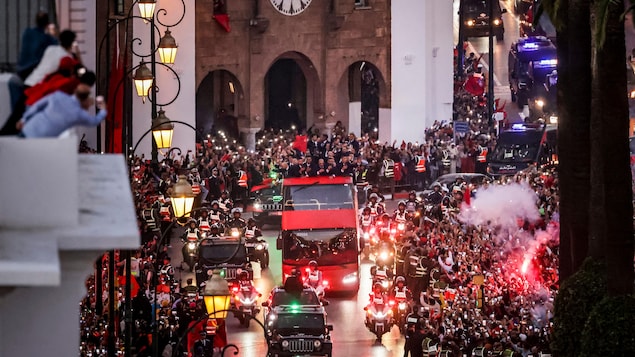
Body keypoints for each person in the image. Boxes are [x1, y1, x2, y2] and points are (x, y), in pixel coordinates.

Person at [17, 82, 106, 138]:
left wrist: (23, 119)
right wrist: (104, 110)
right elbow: (94, 121)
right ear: (85, 99)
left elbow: (36, 106)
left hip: (30, 127)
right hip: (42, 139)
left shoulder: (58, 95)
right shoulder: (78, 114)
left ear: (75, 91)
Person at [16, 11, 58, 80]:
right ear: (47, 23)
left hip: (21, 70)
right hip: (34, 70)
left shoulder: (27, 32)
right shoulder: (47, 38)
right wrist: (53, 34)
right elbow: (57, 48)